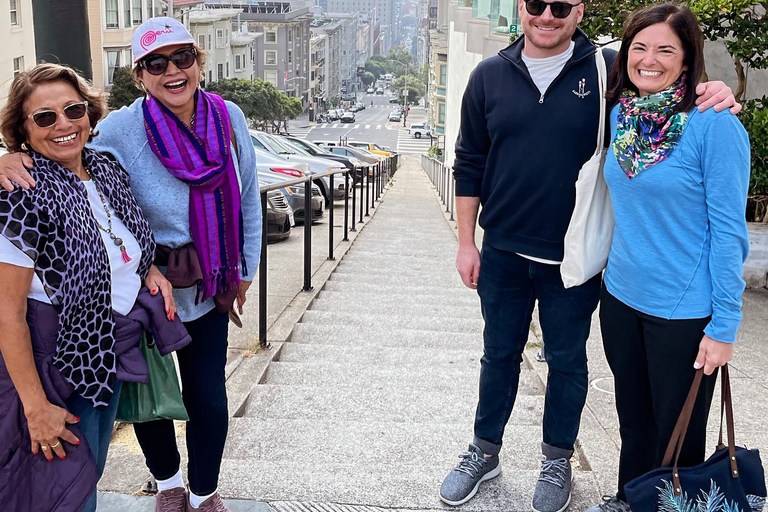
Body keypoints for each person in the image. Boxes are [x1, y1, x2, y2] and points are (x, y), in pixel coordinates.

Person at [440, 0, 740, 510]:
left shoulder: (606, 74)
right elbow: (469, 161)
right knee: (500, 356)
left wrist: (716, 91)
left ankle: (557, 460)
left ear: (578, 11)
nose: (547, 15)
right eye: (537, 4)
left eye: (561, 5)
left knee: (567, 363)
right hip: (512, 256)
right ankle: (484, 450)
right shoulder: (495, 76)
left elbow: (667, 70)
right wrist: (467, 242)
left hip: (575, 260)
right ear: (522, 8)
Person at [0, 17, 262, 512]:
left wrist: (245, 268)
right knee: (147, 398)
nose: (172, 72)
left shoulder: (229, 118)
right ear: (140, 76)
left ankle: (204, 491)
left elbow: (248, 197)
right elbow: (57, 156)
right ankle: (167, 484)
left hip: (209, 280)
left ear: (198, 64)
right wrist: (2, 159)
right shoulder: (122, 127)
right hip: (142, 292)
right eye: (156, 64)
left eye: (182, 59)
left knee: (207, 395)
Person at [0, 63, 188, 512]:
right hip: (53, 366)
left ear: (90, 112)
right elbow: (7, 313)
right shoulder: (22, 191)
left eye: (73, 110)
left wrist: (148, 271)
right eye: (44, 117)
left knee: (85, 479)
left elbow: (123, 244)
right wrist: (35, 407)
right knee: (55, 493)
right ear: (23, 130)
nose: (63, 124)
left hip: (105, 358)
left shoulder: (104, 171)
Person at [585, 4, 750, 512]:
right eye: (638, 47)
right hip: (621, 299)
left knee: (676, 435)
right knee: (632, 419)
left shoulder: (713, 125)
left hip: (683, 313)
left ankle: (666, 504)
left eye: (665, 49)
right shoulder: (622, 115)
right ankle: (629, 499)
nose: (648, 59)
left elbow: (729, 233)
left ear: (687, 58)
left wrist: (725, 325)